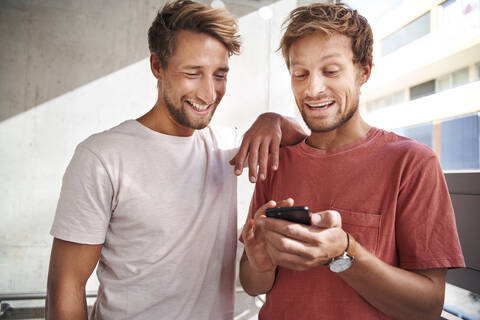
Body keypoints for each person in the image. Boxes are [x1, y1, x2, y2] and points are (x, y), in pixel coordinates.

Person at [45, 1, 308, 319]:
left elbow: (308, 137)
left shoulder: (229, 147)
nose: (209, 94)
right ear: (157, 66)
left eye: (220, 75)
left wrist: (274, 119)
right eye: (193, 73)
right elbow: (66, 287)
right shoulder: (102, 157)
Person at [239, 3, 465, 319]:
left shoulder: (413, 163)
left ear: (364, 71)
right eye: (300, 73)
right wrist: (260, 262)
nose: (313, 89)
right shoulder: (277, 159)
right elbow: (251, 283)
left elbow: (427, 307)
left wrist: (345, 252)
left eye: (331, 71)